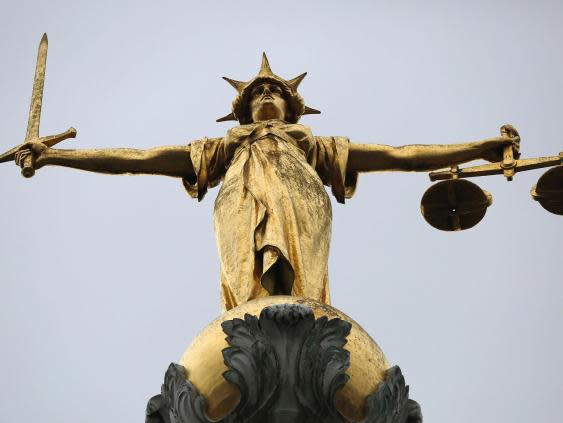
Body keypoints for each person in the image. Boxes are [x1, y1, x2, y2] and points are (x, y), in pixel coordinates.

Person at [14, 54, 519, 311]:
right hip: (237, 204)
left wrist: (478, 148)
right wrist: (60, 158)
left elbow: (401, 155)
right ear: (242, 109)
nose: (269, 96)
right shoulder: (226, 148)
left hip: (303, 205)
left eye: (277, 90)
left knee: (300, 301)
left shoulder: (311, 145)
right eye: (260, 93)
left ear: (294, 106)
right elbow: (142, 159)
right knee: (249, 303)